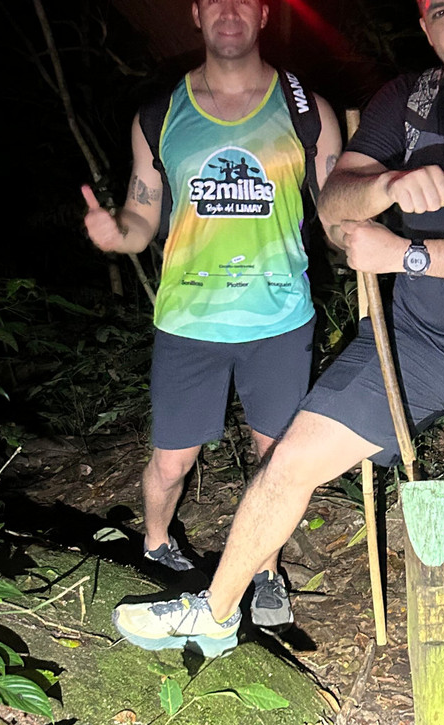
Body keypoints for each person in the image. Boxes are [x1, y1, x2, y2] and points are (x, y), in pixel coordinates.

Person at [112, 0, 444, 725]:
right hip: (411, 345)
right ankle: (215, 612)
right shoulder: (405, 101)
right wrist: (387, 189)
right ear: (424, 25)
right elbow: (338, 197)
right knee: (291, 461)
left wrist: (405, 253)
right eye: (441, 8)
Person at [81, 0, 341, 626]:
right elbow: (144, 215)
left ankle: (266, 571)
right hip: (189, 319)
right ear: (196, 14)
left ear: (263, 12)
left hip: (278, 319)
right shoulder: (161, 113)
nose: (229, 9)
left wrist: (373, 219)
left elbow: (336, 213)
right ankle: (156, 543)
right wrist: (120, 234)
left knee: (274, 460)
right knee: (173, 460)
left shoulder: (307, 110)